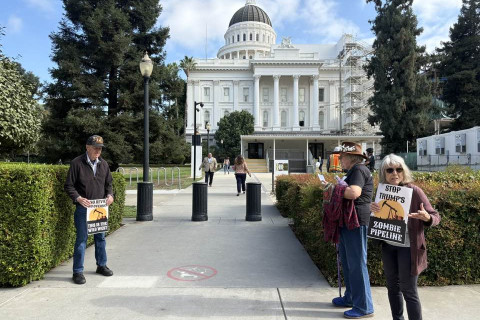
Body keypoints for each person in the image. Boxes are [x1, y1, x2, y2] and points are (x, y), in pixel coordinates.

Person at [370, 154, 440, 320]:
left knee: (409, 290)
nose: (395, 173)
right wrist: (372, 208)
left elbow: (435, 216)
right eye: (390, 170)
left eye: (399, 169)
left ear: (404, 171)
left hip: (408, 248)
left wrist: (427, 218)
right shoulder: (382, 191)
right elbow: (378, 216)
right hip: (388, 245)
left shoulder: (414, 191)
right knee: (392, 287)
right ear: (384, 173)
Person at [323, 142, 374, 319]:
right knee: (348, 262)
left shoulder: (359, 170)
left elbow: (353, 193)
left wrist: (332, 188)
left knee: (357, 263)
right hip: (348, 220)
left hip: (356, 221)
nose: (339, 160)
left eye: (341, 157)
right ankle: (351, 298)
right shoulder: (353, 171)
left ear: (351, 157)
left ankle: (364, 307)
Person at [64, 135, 114, 285]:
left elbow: (109, 184)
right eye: (95, 148)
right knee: (81, 240)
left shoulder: (104, 164)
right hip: (83, 208)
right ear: (87, 147)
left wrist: (110, 195)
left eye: (100, 148)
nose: (98, 151)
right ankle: (78, 271)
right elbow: (69, 186)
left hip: (99, 208)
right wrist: (78, 198)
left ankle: (101, 265)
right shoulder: (76, 163)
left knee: (101, 238)